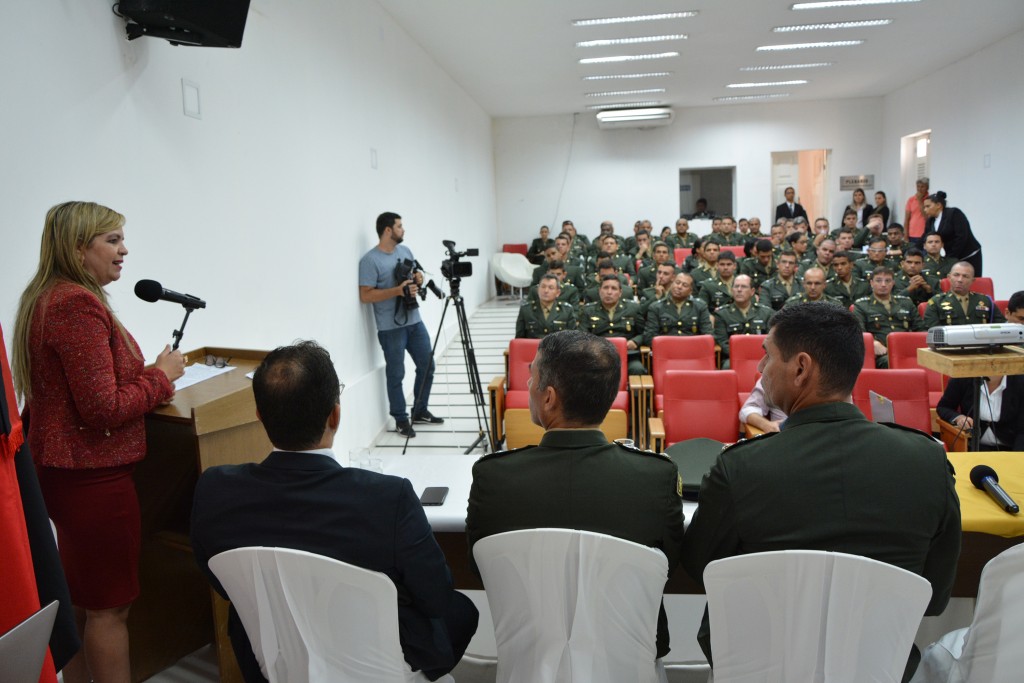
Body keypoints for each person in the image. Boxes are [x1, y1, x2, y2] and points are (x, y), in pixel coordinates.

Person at [681, 303, 961, 682]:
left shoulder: (742, 468)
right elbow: (935, 596)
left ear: (800, 368)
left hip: (761, 668)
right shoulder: (927, 463)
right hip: (877, 669)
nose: (761, 369)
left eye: (767, 356)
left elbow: (702, 569)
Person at [190, 342, 478, 682]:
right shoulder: (388, 498)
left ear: (260, 416)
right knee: (461, 611)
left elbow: (227, 585)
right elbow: (434, 598)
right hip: (377, 668)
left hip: (275, 662)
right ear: (335, 414)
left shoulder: (215, 488)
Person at [11, 201, 186, 683]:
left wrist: (145, 375)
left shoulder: (48, 297)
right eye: (111, 240)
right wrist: (162, 378)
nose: (124, 250)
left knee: (87, 605)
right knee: (110, 611)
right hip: (93, 483)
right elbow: (102, 408)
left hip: (69, 478)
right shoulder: (74, 304)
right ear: (76, 249)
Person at [466, 330, 684, 659]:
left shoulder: (493, 477)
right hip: (626, 655)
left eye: (532, 378)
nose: (527, 387)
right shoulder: (655, 477)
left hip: (531, 654)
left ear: (549, 397)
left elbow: (478, 566)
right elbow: (669, 565)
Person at [358, 212, 444, 438]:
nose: (403, 230)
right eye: (399, 226)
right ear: (388, 230)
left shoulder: (405, 251)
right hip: (390, 327)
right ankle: (400, 419)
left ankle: (420, 410)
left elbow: (417, 274)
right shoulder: (370, 260)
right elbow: (365, 295)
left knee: (427, 366)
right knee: (396, 373)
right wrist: (397, 291)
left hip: (414, 320)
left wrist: (418, 279)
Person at [852, 267, 925, 368]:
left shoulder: (906, 302)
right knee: (891, 362)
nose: (883, 284)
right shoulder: (861, 305)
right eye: (878, 281)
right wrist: (873, 343)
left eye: (887, 281)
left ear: (893, 283)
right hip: (882, 353)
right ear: (871, 283)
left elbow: (921, 329)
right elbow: (859, 332)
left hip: (907, 350)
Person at [937, 374, 1024, 451]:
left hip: (1010, 447)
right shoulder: (963, 377)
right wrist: (959, 418)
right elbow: (943, 407)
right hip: (972, 446)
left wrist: (1018, 457)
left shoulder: (1020, 381)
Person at [713, 275, 774, 367]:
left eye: (744, 286)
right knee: (727, 365)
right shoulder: (722, 314)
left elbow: (771, 340)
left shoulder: (766, 313)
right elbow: (723, 342)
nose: (739, 290)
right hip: (734, 357)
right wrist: (743, 355)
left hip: (761, 356)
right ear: (731, 290)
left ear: (752, 291)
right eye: (736, 286)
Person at [922, 262, 1005, 328]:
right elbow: (933, 332)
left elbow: (1002, 326)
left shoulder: (985, 301)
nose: (960, 280)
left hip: (981, 347)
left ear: (972, 280)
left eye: (965, 276)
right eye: (956, 275)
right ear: (949, 277)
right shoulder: (936, 302)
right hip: (950, 348)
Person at [643, 273, 713, 348]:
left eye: (684, 285)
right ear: (672, 284)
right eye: (677, 283)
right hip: (666, 353)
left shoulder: (700, 306)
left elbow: (708, 335)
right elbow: (649, 337)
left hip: (693, 351)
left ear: (690, 291)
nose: (679, 287)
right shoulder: (656, 307)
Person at [923, 191, 983, 275]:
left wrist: (951, 257)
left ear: (938, 205)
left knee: (972, 281)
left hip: (969, 255)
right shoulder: (930, 221)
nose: (925, 210)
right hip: (952, 256)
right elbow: (924, 238)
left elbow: (961, 237)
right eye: (924, 207)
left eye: (928, 206)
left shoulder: (954, 213)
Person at [516, 274, 578, 338]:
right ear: (538, 290)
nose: (546, 291)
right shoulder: (526, 310)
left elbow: (572, 340)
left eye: (551, 288)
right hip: (533, 347)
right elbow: (519, 339)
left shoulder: (566, 311)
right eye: (543, 287)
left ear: (558, 293)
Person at [904, 177, 930, 246]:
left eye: (922, 187)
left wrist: (920, 200)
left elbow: (927, 217)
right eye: (918, 186)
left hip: (924, 233)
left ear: (927, 187)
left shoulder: (930, 200)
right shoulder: (911, 200)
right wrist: (905, 235)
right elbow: (907, 219)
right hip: (911, 234)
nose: (919, 189)